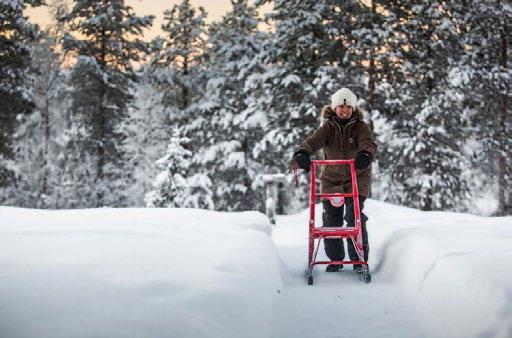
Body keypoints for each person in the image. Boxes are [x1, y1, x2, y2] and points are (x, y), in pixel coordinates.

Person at [292, 88, 377, 273]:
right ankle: (336, 259)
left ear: (353, 108)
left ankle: (358, 260)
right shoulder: (328, 127)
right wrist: (302, 152)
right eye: (341, 107)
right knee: (332, 220)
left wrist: (365, 154)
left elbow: (368, 144)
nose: (344, 110)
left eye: (348, 107)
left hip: (356, 177)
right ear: (334, 107)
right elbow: (313, 141)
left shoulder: (360, 127)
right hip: (331, 180)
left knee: (353, 218)